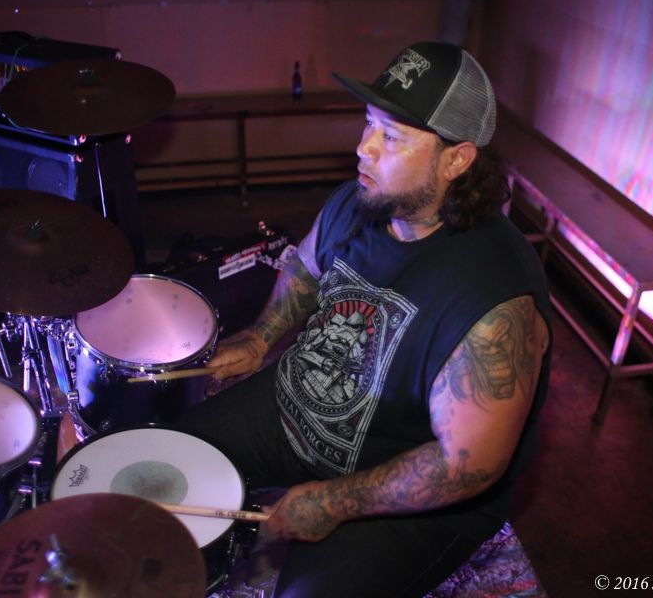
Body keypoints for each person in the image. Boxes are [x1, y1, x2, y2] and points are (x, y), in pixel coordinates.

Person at [176, 41, 552, 597]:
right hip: (296, 408)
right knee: (173, 462)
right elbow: (305, 269)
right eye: (369, 124)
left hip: (406, 486)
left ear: (456, 160)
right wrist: (260, 338)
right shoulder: (360, 201)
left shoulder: (496, 298)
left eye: (391, 136)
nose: (363, 148)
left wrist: (333, 501)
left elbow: (466, 464)